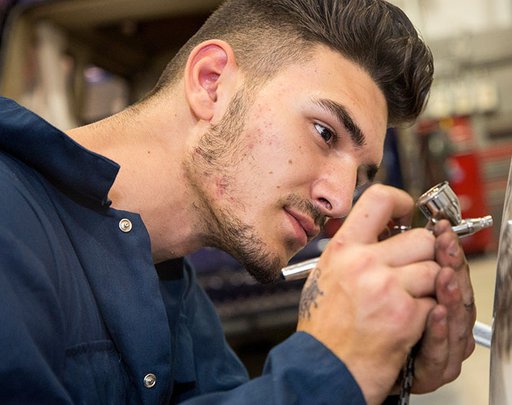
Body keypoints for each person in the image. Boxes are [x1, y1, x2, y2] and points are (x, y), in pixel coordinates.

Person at [0, 0, 477, 403]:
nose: (339, 201)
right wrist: (327, 373)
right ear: (212, 83)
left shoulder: (177, 292)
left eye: (360, 175)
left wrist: (379, 365)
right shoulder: (11, 224)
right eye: (324, 132)